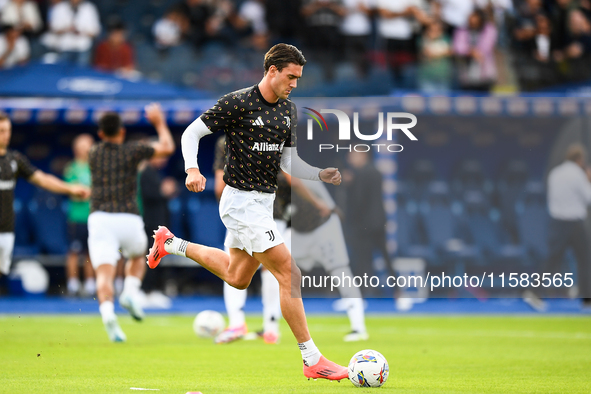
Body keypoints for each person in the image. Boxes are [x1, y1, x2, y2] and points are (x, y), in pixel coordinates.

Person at [147, 43, 348, 381]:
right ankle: (312, 359)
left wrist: (318, 173)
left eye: (298, 78)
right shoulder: (238, 102)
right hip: (240, 201)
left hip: (263, 204)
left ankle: (171, 244)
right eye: (290, 76)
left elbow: (288, 162)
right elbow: (191, 132)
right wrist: (191, 170)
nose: (294, 84)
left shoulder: (288, 110)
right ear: (271, 71)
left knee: (238, 278)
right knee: (290, 274)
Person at [88, 104, 174, 342]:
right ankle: (130, 292)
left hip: (101, 218)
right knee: (138, 256)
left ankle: (107, 313)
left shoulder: (93, 152)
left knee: (104, 273)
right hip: (128, 217)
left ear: (101, 133)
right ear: (122, 132)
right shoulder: (132, 151)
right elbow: (166, 148)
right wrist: (158, 122)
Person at [212, 135, 284, 345]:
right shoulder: (274, 133)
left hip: (240, 208)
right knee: (274, 269)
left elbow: (219, 185)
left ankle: (236, 323)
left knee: (233, 267)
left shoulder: (225, 140)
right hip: (271, 211)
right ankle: (271, 327)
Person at [0, 113, 90, 281]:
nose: (6, 135)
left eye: (8, 130)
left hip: (5, 229)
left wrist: (70, 188)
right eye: (1, 130)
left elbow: (42, 179)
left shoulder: (14, 159)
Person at [291, 177, 368, 341]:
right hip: (297, 231)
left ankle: (359, 327)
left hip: (323, 225)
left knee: (340, 271)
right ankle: (271, 325)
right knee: (286, 275)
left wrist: (322, 205)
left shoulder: (291, 167)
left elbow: (296, 183)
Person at [524, 144, 591, 311]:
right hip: (574, 223)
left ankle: (533, 292)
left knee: (551, 260)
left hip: (557, 222)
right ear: (580, 160)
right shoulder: (578, 174)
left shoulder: (555, 173)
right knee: (584, 261)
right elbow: (588, 198)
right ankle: (587, 299)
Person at [64, 133, 95, 297]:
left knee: (92, 252)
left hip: (94, 217)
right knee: (74, 252)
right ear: (77, 149)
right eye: (85, 145)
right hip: (77, 218)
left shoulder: (97, 167)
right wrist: (88, 193)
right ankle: (73, 285)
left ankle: (90, 285)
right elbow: (72, 191)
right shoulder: (72, 168)